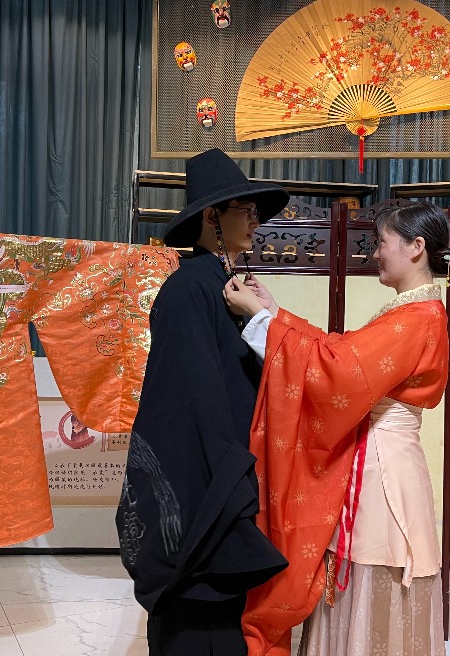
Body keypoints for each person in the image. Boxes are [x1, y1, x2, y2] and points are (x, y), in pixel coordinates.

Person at [224, 202, 450, 656]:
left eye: (381, 243)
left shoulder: (418, 316)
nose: (375, 253)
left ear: (416, 247)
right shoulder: (413, 311)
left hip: (381, 473)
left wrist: (265, 323)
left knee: (369, 576)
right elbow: (342, 352)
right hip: (380, 463)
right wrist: (275, 313)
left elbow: (341, 370)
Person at [116, 148, 289, 655]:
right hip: (202, 489)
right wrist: (230, 481)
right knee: (199, 627)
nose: (256, 220)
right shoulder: (189, 288)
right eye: (246, 210)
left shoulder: (225, 287)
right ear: (212, 216)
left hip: (223, 475)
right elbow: (191, 402)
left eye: (256, 211)